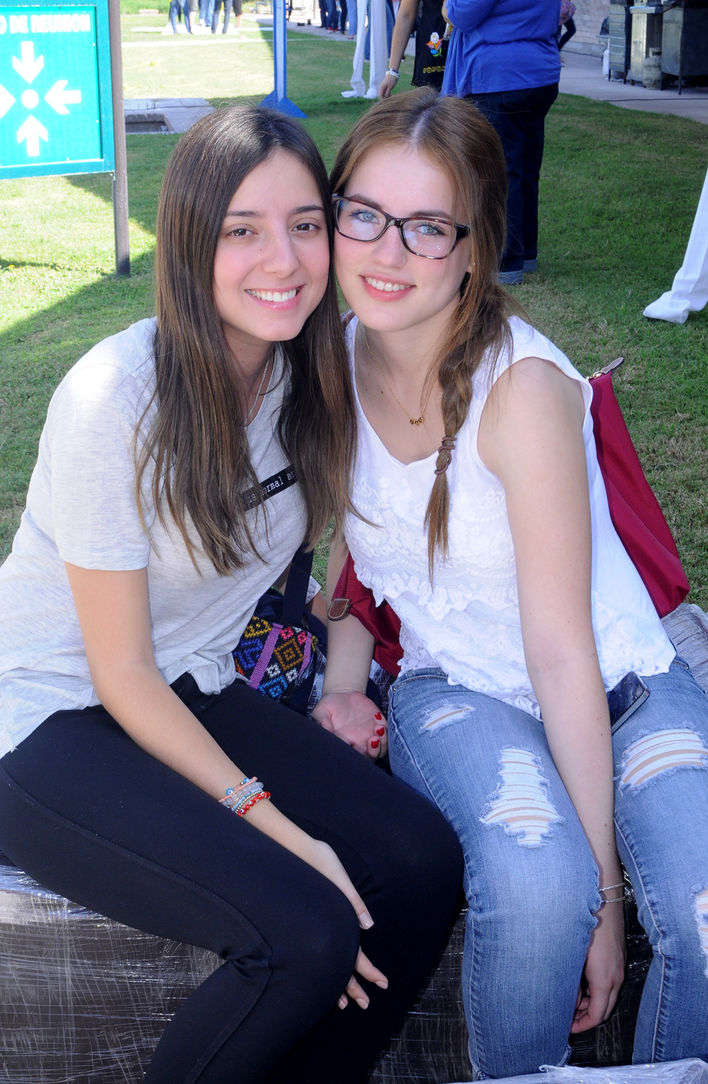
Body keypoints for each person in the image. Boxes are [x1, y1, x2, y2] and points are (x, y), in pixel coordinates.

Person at [0, 103, 463, 1084]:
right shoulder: (114, 398)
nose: (282, 260)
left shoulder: (313, 379)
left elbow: (356, 535)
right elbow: (122, 674)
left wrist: (345, 681)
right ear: (188, 245)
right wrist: (287, 834)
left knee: (420, 859)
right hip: (49, 714)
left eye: (305, 224)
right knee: (304, 931)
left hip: (194, 682)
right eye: (241, 230)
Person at [315, 88, 708, 1080]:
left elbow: (563, 651)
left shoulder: (522, 393)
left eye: (426, 226)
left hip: (616, 678)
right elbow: (360, 540)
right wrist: (343, 680)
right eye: (364, 214)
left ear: (473, 247)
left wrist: (607, 901)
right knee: (538, 890)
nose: (386, 251)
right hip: (456, 686)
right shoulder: (330, 358)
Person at [441, 0, 561, 284]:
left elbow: (463, 14)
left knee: (501, 174)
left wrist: (448, 7)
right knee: (525, 171)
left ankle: (506, 261)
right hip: (539, 71)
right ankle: (525, 253)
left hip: (500, 75)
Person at [378, 0, 447, 99]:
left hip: (466, 52)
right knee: (434, 105)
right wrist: (392, 72)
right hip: (433, 59)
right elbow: (406, 15)